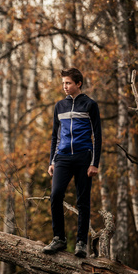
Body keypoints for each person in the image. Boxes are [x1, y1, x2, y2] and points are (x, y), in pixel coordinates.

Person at [42, 67, 102, 258]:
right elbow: (54, 136)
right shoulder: (59, 106)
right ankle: (59, 238)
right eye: (63, 83)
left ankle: (81, 243)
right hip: (62, 158)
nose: (65, 87)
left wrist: (95, 163)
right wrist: (52, 160)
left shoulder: (90, 105)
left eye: (68, 83)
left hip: (84, 157)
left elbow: (98, 136)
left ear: (78, 84)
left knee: (83, 201)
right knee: (56, 194)